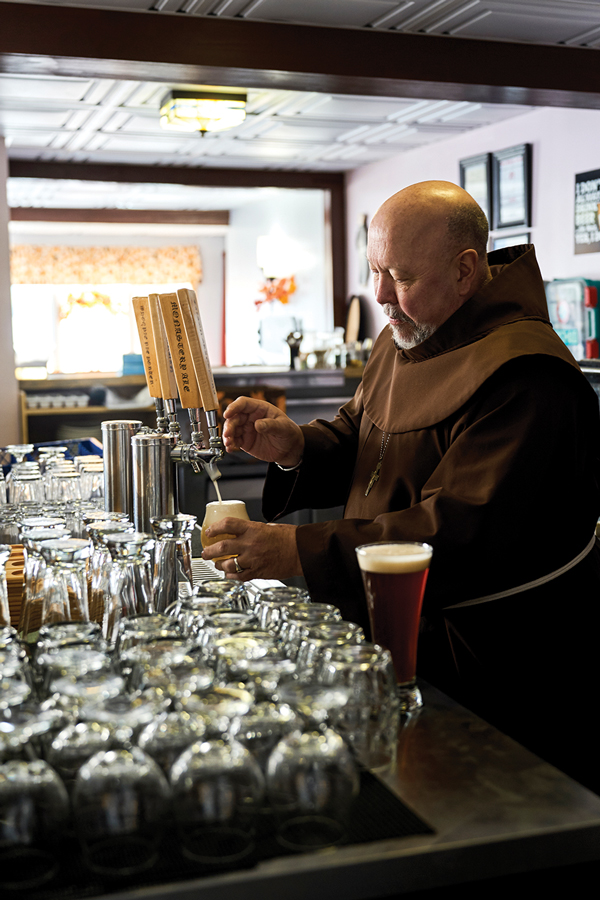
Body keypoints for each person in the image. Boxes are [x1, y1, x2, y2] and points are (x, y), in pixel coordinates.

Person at [202, 181, 600, 789]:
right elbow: (366, 435)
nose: (380, 295)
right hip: (384, 631)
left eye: (400, 277)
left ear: (466, 272)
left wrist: (295, 550)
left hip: (484, 666)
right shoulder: (403, 333)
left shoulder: (527, 375)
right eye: (375, 270)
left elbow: (459, 532)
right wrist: (296, 447)